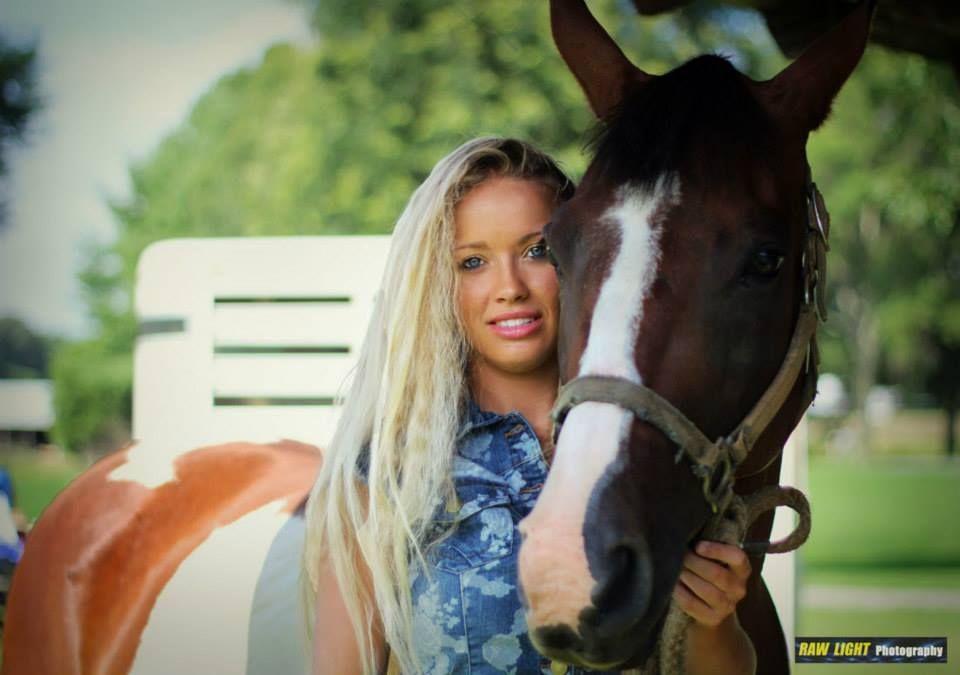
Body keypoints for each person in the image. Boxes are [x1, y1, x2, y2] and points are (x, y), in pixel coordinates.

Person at [302, 137, 754, 674]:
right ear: (438, 284)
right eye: (473, 262)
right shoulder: (385, 475)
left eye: (536, 251)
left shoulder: (652, 450)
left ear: (582, 256)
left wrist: (714, 619)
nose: (510, 287)